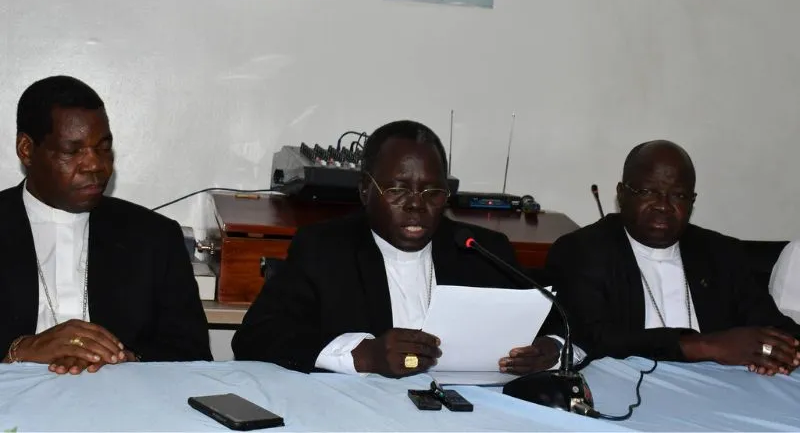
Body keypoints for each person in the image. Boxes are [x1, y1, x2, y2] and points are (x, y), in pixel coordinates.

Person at [233, 120, 561, 377]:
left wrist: (551, 349)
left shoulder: (480, 250)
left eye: (432, 192)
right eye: (397, 190)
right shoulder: (325, 249)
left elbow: (562, 324)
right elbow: (256, 336)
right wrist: (363, 354)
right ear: (365, 191)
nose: (416, 205)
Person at [0, 76, 212, 374]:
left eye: (103, 148)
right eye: (73, 151)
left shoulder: (154, 237)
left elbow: (193, 354)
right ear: (26, 149)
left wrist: (131, 362)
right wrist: (20, 350)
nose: (96, 165)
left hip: (121, 408)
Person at [546, 140, 800, 376]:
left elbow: (776, 329)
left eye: (678, 195)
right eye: (648, 191)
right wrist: (704, 346)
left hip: (721, 393)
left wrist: (774, 352)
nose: (663, 205)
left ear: (692, 201)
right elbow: (590, 337)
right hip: (624, 388)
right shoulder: (584, 249)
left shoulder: (722, 253)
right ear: (622, 194)